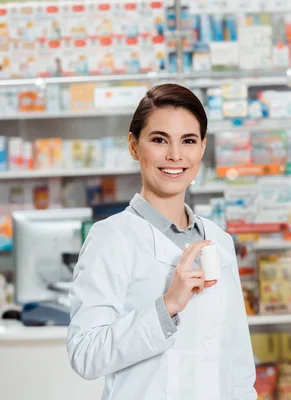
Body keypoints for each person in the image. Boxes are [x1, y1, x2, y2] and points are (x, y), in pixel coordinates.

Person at [67, 84, 257, 400]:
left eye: (189, 141)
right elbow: (85, 354)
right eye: (159, 140)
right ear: (133, 145)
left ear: (202, 148)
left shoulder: (219, 241)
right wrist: (167, 306)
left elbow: (238, 364)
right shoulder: (111, 238)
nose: (175, 155)